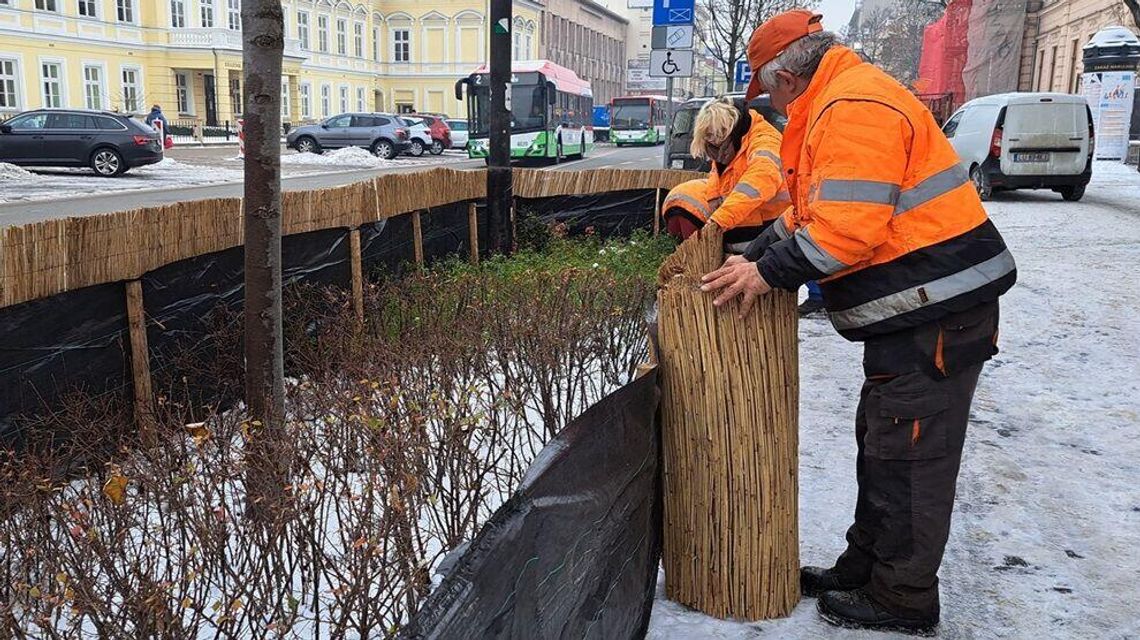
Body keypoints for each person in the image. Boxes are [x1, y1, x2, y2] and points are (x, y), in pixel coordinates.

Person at [700, 10, 1016, 636]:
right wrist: (755, 250)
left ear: (788, 77)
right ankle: (865, 568)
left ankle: (902, 599)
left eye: (768, 94)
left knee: (911, 458)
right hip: (914, 313)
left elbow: (847, 229)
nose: (769, 108)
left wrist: (766, 275)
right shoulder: (836, 103)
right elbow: (813, 209)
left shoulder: (853, 107)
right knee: (884, 445)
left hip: (937, 312)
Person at [661, 97, 790, 253]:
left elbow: (757, 184)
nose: (715, 149)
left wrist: (719, 221)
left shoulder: (765, 143)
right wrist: (715, 197)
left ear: (728, 129)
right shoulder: (732, 142)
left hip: (769, 228)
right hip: (743, 222)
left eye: (716, 140)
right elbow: (717, 172)